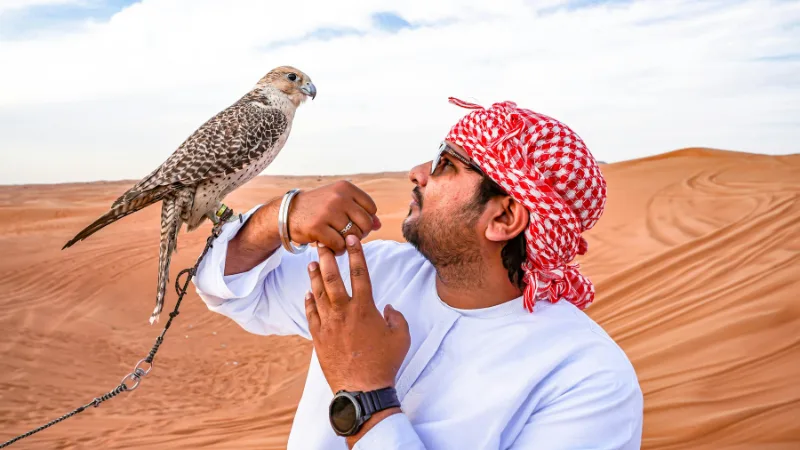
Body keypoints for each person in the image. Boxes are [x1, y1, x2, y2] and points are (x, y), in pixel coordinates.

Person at [193, 97, 644, 449]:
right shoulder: (376, 271)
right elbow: (231, 287)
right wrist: (280, 217)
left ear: (504, 218)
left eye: (446, 165)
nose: (417, 173)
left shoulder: (586, 379)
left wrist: (364, 389)